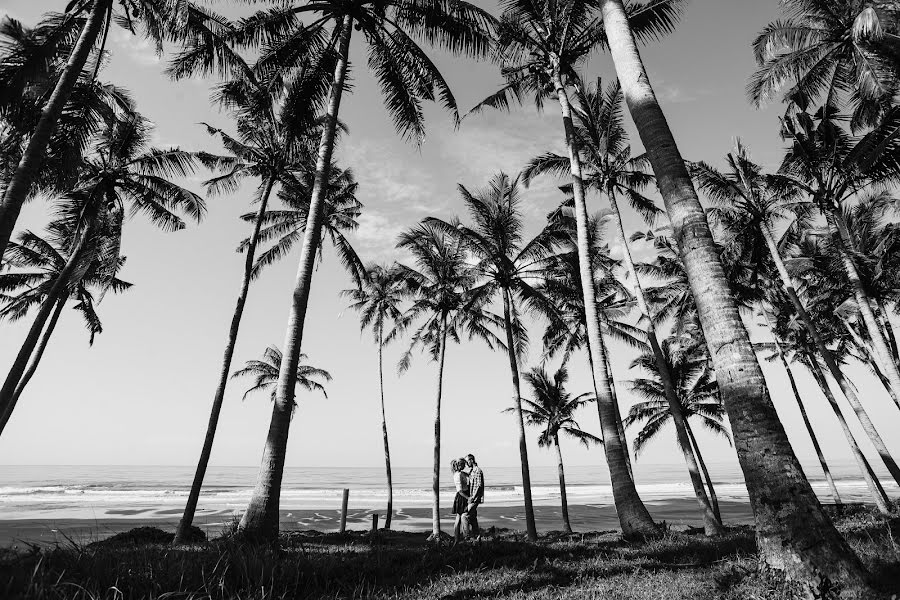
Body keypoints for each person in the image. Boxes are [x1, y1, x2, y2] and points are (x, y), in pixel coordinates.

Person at [450, 458, 470, 544]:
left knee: (459, 518)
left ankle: (457, 539)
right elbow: (460, 491)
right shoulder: (458, 475)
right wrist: (468, 498)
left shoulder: (460, 473)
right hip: (462, 497)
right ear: (459, 465)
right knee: (460, 518)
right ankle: (460, 538)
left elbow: (468, 475)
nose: (465, 466)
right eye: (463, 464)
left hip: (463, 496)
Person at [465, 453, 483, 537]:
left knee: (466, 515)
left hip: (475, 498)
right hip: (471, 498)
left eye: (467, 461)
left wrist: (473, 497)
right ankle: (477, 535)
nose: (466, 464)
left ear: (471, 460)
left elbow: (479, 485)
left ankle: (466, 536)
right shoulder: (471, 471)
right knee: (472, 517)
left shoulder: (478, 471)